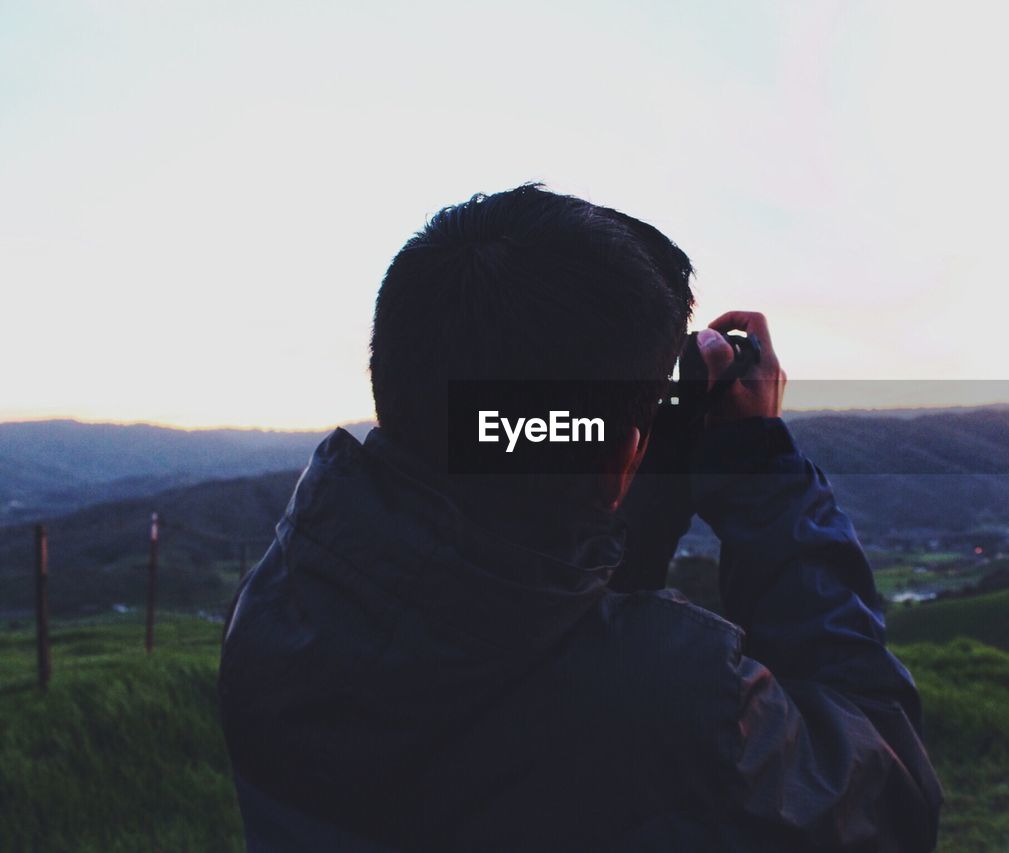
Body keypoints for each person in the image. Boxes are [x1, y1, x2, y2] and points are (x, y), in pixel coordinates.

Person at [218, 184, 942, 851]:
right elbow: (888, 786)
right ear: (618, 459)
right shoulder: (676, 703)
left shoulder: (280, 603)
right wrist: (759, 465)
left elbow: (523, 590)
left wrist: (631, 449)